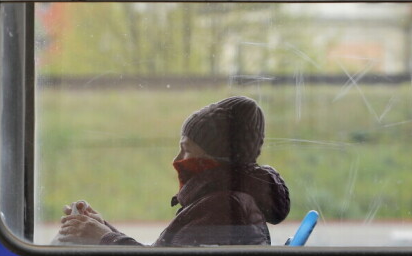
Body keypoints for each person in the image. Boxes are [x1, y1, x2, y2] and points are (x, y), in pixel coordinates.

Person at [58, 96, 290, 246]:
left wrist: (102, 238)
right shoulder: (224, 201)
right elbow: (162, 255)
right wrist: (101, 228)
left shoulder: (221, 207)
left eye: (186, 151)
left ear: (215, 159)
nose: (177, 160)